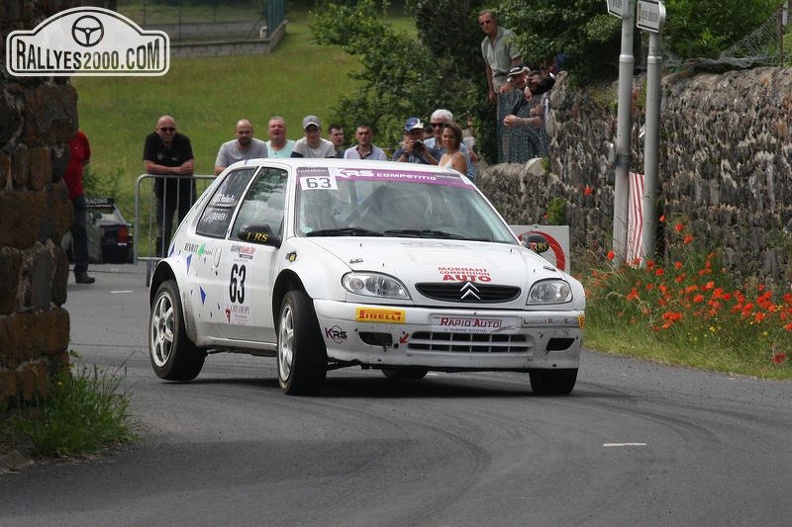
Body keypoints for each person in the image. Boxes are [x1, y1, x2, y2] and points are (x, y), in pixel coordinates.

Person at [143, 115, 196, 257]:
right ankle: (160, 260)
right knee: (164, 229)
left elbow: (190, 168)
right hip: (164, 192)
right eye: (164, 129)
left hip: (185, 191)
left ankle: (182, 258)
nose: (168, 132)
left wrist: (162, 168)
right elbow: (149, 167)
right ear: (157, 130)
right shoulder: (151, 140)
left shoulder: (183, 141)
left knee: (185, 228)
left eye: (171, 129)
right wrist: (176, 170)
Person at [479, 9, 523, 163]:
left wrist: (510, 82)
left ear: (494, 21)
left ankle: (520, 156)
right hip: (497, 83)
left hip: (513, 80)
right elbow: (488, 67)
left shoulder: (508, 36)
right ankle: (507, 158)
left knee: (516, 118)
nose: (485, 25)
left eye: (488, 21)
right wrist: (491, 89)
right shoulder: (484, 44)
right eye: (482, 23)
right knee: (503, 123)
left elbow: (517, 60)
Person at [64, 129, 94, 284]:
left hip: (76, 193)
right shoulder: (58, 137)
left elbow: (86, 159)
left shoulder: (80, 137)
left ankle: (81, 271)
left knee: (80, 230)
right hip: (58, 193)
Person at [424, 109, 476, 180]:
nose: (437, 128)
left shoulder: (460, 151)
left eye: (440, 125)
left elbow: (467, 178)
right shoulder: (427, 144)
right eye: (434, 125)